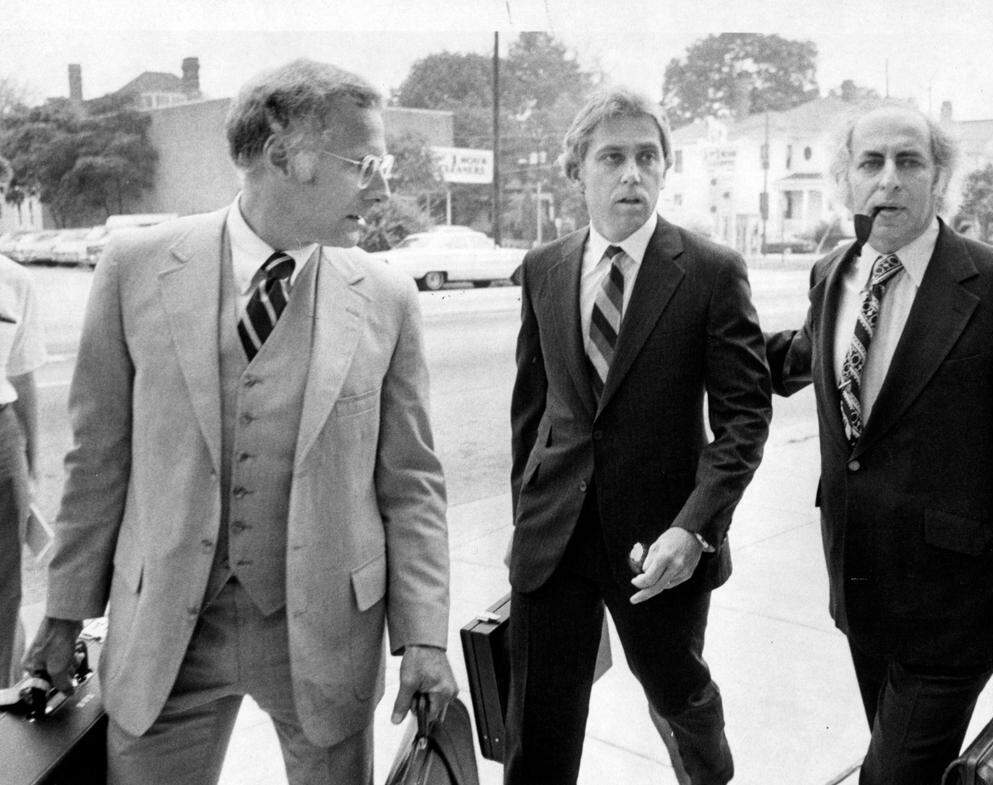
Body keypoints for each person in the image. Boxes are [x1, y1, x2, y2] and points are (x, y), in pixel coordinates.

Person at [22, 59, 456, 785]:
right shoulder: (134, 267)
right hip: (164, 632)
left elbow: (411, 484)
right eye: (365, 164)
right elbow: (97, 460)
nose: (382, 188)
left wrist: (425, 637)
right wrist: (65, 611)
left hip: (325, 633)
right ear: (283, 155)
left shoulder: (386, 295)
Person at [766, 104, 993, 784]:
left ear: (939, 178)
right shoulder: (832, 273)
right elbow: (809, 356)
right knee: (905, 761)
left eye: (909, 161)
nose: (889, 179)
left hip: (954, 608)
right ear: (845, 181)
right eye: (871, 162)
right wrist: (700, 346)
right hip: (859, 590)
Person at [506, 87, 771, 785]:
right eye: (612, 158)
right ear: (577, 171)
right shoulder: (544, 267)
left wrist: (695, 528)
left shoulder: (710, 271)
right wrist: (524, 519)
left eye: (647, 157)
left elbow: (744, 419)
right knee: (538, 728)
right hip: (554, 538)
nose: (632, 174)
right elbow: (530, 410)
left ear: (664, 167)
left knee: (680, 700)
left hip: (662, 542)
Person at [1, 251, 45, 687]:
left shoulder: (12, 279)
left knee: (4, 585)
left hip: (1, 432)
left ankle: (4, 691)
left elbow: (23, 376)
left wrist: (31, 463)